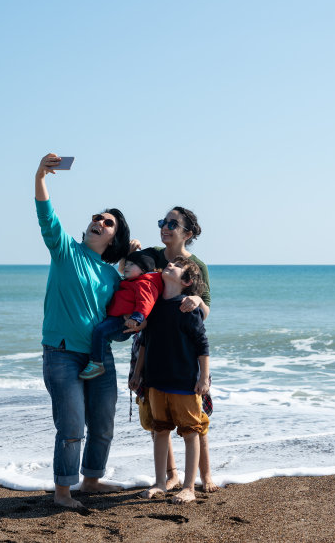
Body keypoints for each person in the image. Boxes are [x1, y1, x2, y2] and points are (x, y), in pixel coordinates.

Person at [35, 153, 131, 509]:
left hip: (99, 358)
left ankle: (91, 480)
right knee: (72, 427)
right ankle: (63, 491)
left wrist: (130, 327)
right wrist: (41, 175)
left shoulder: (112, 277)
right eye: (96, 218)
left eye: (107, 223)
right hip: (61, 353)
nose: (98, 222)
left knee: (103, 423)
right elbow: (46, 216)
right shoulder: (65, 252)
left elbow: (115, 328)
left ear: (113, 237)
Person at [128, 206, 217, 493]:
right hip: (149, 341)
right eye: (162, 222)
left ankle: (204, 476)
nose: (165, 227)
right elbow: (128, 277)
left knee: (195, 417)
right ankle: (170, 476)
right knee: (157, 418)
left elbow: (205, 310)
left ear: (187, 233)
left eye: (172, 224)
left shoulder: (196, 266)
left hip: (183, 346)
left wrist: (194, 300)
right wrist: (131, 254)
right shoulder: (152, 256)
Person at [79, 251, 162, 380]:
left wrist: (137, 318)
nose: (126, 266)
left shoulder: (144, 284)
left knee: (100, 331)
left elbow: (145, 302)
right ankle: (95, 359)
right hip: (117, 319)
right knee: (99, 332)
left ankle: (97, 363)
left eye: (132, 264)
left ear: (143, 270)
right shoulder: (131, 282)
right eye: (126, 263)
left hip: (123, 322)